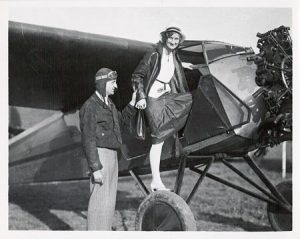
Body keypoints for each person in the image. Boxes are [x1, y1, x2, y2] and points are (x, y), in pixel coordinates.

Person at [132, 26, 193, 192]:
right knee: (157, 140)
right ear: (165, 38)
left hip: (167, 96)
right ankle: (155, 181)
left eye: (176, 39)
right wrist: (141, 97)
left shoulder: (173, 54)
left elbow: (169, 69)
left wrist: (183, 65)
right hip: (153, 98)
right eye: (171, 38)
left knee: (188, 99)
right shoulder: (153, 52)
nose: (173, 42)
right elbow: (137, 76)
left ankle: (172, 139)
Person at [80, 68, 136, 230]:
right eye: (112, 83)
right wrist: (95, 168)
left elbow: (121, 120)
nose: (116, 86)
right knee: (98, 201)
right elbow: (88, 139)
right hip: (101, 157)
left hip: (112, 156)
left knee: (109, 202)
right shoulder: (90, 107)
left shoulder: (109, 104)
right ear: (103, 84)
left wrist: (132, 103)